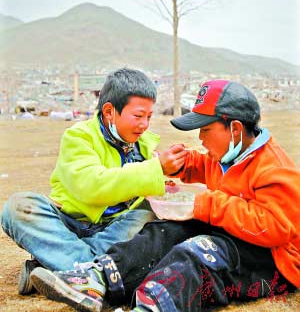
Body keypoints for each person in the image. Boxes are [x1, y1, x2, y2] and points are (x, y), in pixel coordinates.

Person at [28, 79, 300, 312]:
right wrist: (181, 163)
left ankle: (152, 305)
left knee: (195, 254)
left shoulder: (274, 168)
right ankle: (98, 278)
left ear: (235, 129)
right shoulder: (232, 154)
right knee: (164, 233)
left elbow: (277, 228)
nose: (201, 138)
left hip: (274, 261)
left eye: (206, 130)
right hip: (236, 235)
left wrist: (208, 204)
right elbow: (209, 166)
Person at [1, 67, 186, 296]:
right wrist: (155, 169)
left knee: (153, 213)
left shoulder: (144, 144)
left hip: (113, 231)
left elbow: (140, 189)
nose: (145, 124)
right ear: (109, 111)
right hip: (70, 225)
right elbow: (93, 187)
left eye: (149, 117)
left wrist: (162, 183)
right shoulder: (78, 137)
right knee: (18, 207)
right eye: (138, 116)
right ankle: (96, 271)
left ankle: (58, 268)